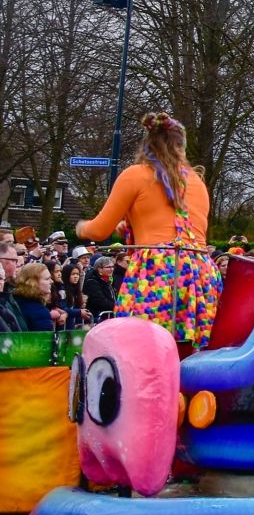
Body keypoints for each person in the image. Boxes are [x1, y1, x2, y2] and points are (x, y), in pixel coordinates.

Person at [73, 111, 220, 346]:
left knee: (140, 345)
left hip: (157, 270)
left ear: (147, 144)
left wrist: (82, 228)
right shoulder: (197, 182)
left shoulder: (136, 175)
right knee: (191, 347)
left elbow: (99, 231)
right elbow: (176, 225)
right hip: (199, 272)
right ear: (181, 147)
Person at [11, 261, 61, 331]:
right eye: (47, 279)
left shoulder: (13, 301)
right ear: (33, 283)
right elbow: (44, 337)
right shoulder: (39, 311)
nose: (51, 281)